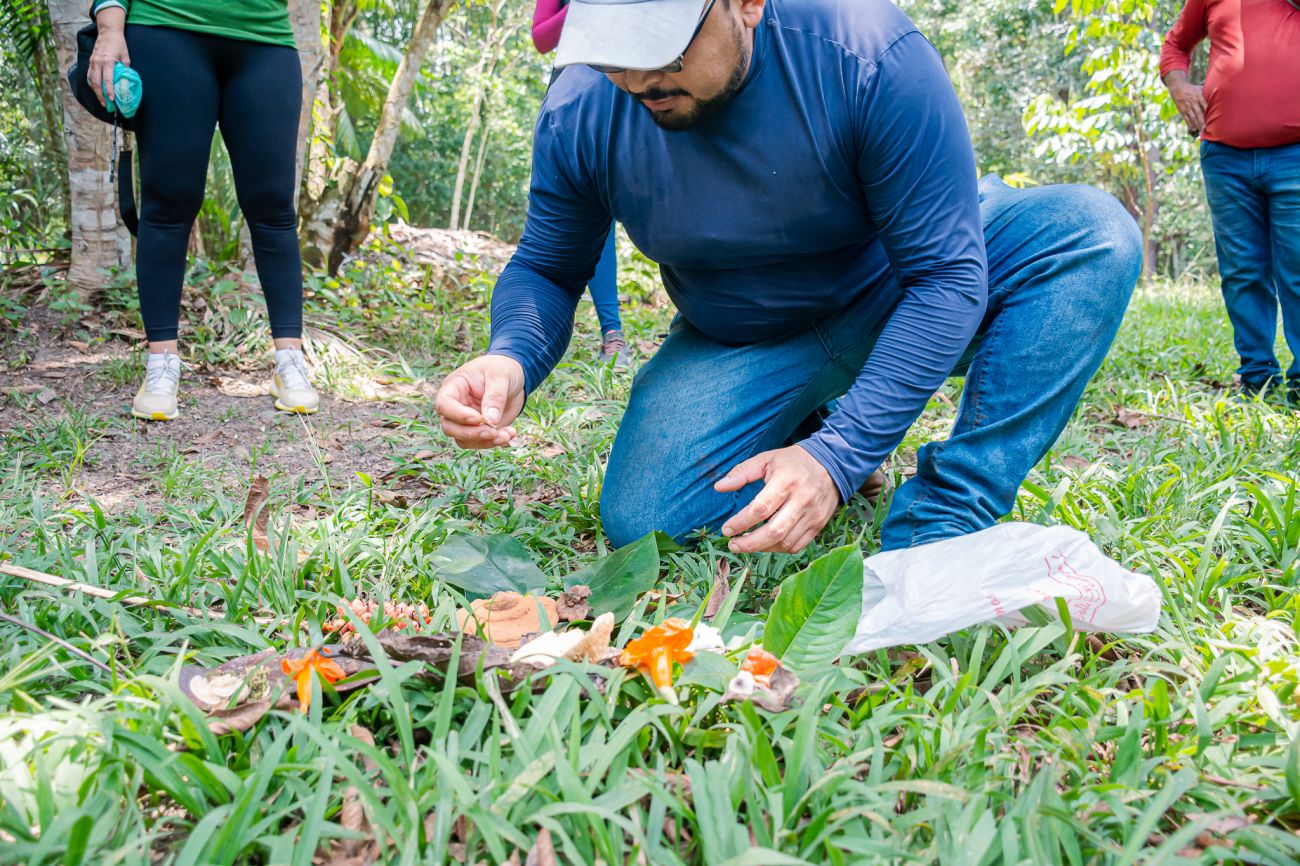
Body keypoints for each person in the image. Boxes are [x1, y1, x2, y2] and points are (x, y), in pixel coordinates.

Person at [435, 0, 1142, 555]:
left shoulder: (868, 54)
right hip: (744, 336)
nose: (640, 80)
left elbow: (946, 276)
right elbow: (549, 267)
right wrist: (511, 354)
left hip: (896, 286)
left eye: (664, 48)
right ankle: (810, 418)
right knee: (646, 522)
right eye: (612, 52)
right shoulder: (584, 107)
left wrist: (837, 460)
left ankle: (944, 512)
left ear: (747, 3)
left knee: (1091, 234)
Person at [87, 0, 320, 420]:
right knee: (168, 202)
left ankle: (290, 362)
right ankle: (161, 366)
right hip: (165, 26)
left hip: (265, 36)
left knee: (273, 207)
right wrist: (109, 29)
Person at [1161, 0, 1300, 403]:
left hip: (1294, 155)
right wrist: (1178, 86)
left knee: (1297, 269)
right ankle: (1257, 377)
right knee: (1241, 271)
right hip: (1225, 158)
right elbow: (1175, 45)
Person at [532, 0, 631, 366]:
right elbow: (541, 37)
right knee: (592, 211)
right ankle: (612, 335)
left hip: (630, 81)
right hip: (573, 95)